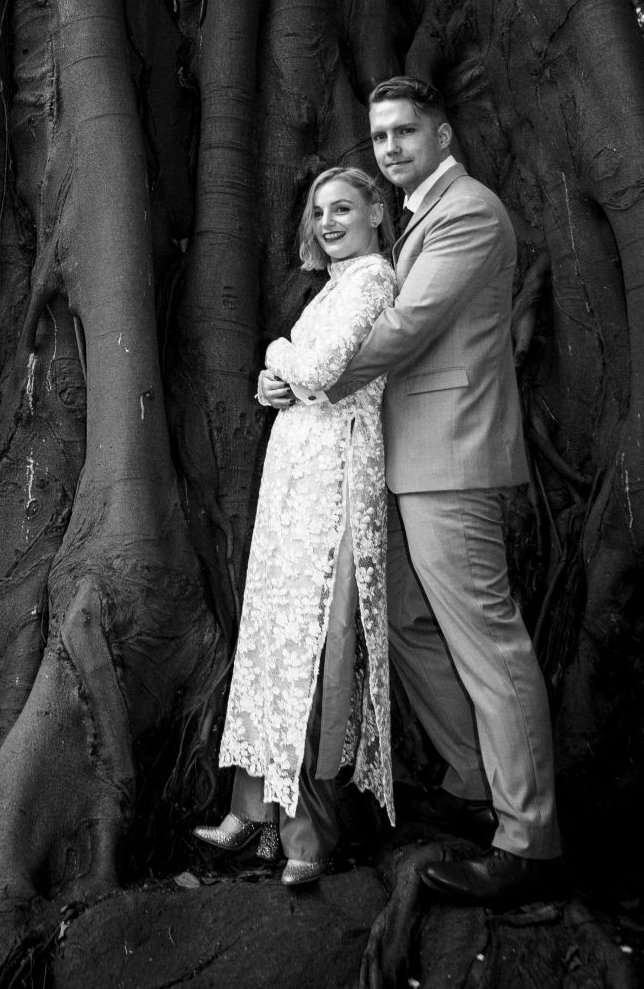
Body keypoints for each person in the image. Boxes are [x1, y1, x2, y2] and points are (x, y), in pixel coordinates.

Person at [314, 75, 561, 905]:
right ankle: (468, 783)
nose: (388, 148)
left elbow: (408, 326)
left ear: (443, 134)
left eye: (405, 132)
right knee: (411, 620)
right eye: (379, 135)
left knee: (489, 641)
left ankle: (528, 840)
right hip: (409, 460)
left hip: (452, 459)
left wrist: (309, 376)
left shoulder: (466, 212)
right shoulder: (422, 213)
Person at [195, 167, 398, 888]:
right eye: (319, 210)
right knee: (273, 641)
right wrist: (268, 381)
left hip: (335, 484)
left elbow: (317, 368)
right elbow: (298, 381)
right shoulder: (332, 288)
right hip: (294, 483)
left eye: (344, 206)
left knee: (317, 646)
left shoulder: (374, 281)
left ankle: (308, 831)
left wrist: (279, 353)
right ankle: (253, 811)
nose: (330, 220)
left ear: (377, 209)